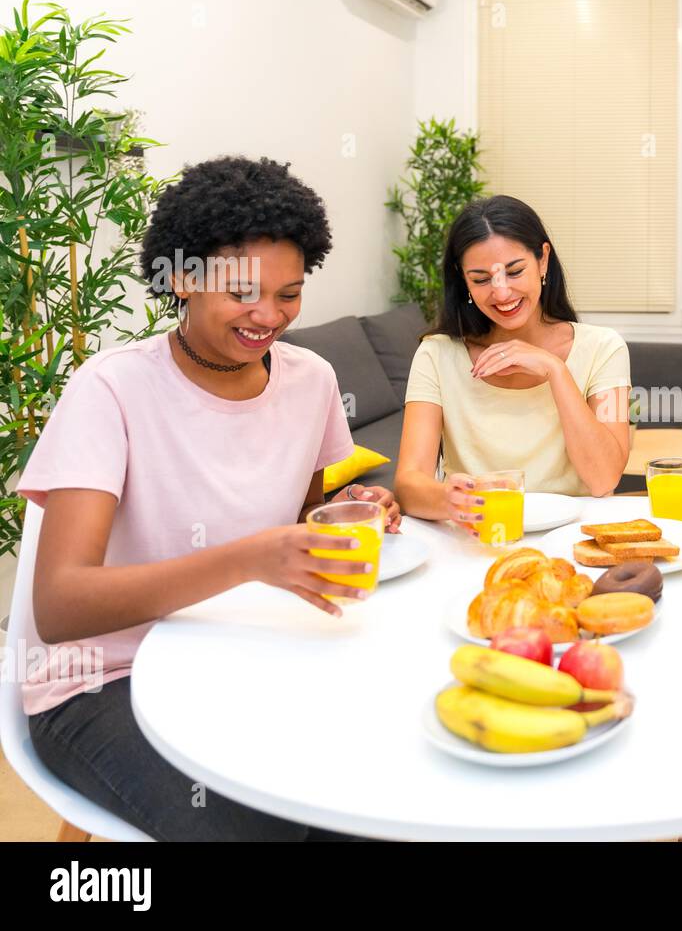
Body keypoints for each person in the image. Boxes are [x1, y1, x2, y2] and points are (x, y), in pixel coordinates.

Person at [19, 156, 398, 840]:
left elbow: (303, 524)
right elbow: (60, 606)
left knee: (376, 800)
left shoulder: (310, 381)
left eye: (289, 292)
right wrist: (251, 558)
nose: (269, 316)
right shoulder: (111, 390)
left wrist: (354, 518)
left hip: (241, 656)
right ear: (184, 278)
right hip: (107, 680)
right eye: (243, 290)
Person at [396, 195, 631, 534]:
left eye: (515, 271)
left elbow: (603, 478)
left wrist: (555, 370)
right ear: (463, 281)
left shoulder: (605, 348)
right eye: (480, 279)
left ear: (543, 260)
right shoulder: (436, 355)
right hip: (478, 537)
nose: (502, 292)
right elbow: (408, 483)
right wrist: (456, 500)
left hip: (572, 538)